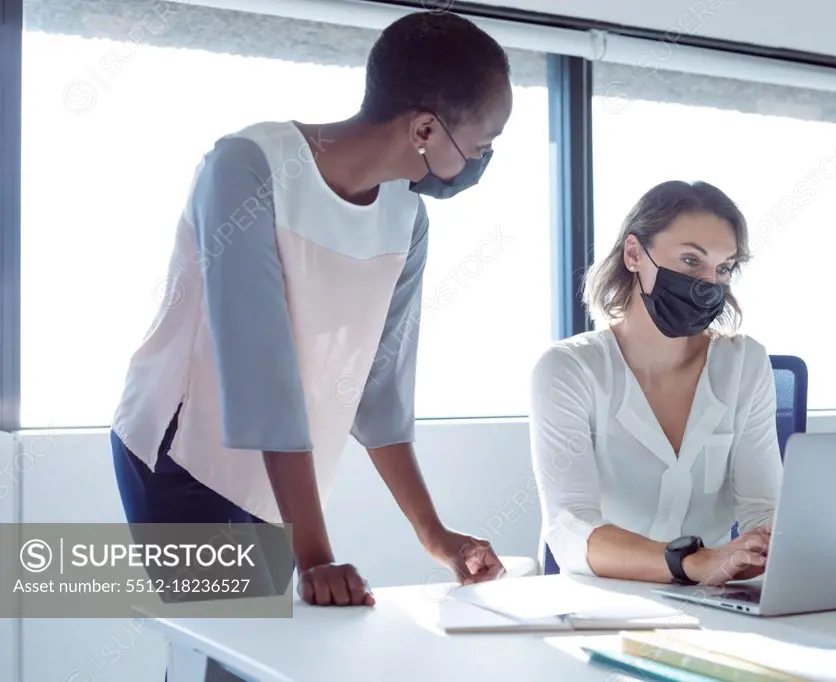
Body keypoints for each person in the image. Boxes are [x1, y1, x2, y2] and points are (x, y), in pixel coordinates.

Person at [109, 11, 513, 608]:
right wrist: (316, 556)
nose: (480, 161)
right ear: (426, 128)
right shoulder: (248, 167)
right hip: (181, 449)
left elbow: (381, 393)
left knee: (261, 652)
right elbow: (259, 369)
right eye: (480, 146)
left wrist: (436, 538)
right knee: (223, 642)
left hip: (279, 472)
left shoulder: (407, 218)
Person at [529, 180, 782, 587]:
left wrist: (766, 553)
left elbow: (766, 513)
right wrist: (692, 563)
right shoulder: (567, 369)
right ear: (634, 254)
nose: (707, 284)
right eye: (690, 261)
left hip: (712, 600)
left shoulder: (745, 364)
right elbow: (568, 527)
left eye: (723, 268)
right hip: (601, 600)